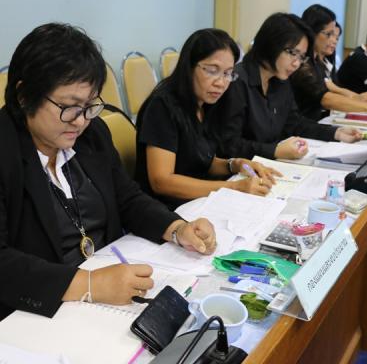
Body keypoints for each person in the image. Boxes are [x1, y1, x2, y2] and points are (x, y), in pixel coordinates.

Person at [0, 23, 216, 321]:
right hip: (36, 311)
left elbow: (127, 198)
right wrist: (90, 284)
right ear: (24, 95)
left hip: (108, 294)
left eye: (89, 106)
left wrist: (177, 229)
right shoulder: (6, 150)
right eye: (69, 107)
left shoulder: (92, 135)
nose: (80, 121)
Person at [135, 28, 280, 210]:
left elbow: (202, 160)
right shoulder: (162, 106)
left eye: (227, 73)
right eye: (212, 71)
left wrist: (235, 164)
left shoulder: (206, 103)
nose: (221, 83)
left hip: (196, 202)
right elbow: (162, 181)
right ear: (189, 67)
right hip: (165, 210)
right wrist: (233, 187)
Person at [216, 13, 362, 162]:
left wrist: (336, 132)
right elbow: (228, 145)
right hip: (240, 170)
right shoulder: (236, 81)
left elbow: (294, 123)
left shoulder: (280, 79)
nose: (296, 63)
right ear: (271, 43)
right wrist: (275, 151)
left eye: (301, 57)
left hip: (270, 165)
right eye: (293, 53)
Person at [291, 4, 367, 125]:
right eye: (329, 34)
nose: (333, 40)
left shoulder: (317, 62)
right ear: (312, 32)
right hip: (303, 127)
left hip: (314, 124)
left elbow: (331, 87)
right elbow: (325, 98)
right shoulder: (303, 64)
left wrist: (358, 98)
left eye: (335, 36)